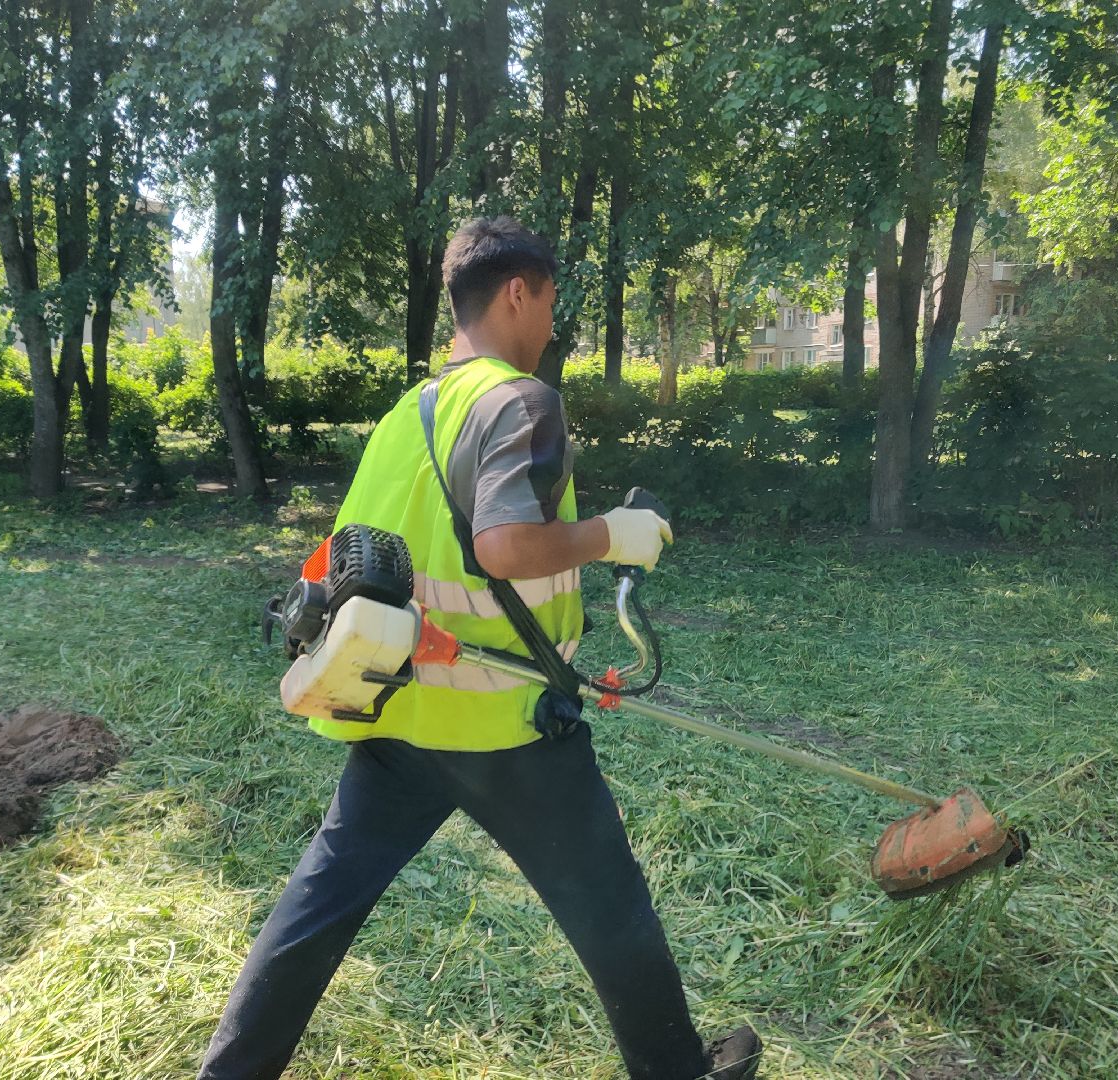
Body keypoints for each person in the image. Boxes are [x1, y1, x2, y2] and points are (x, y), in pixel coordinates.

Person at [197, 216, 763, 1080]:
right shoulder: (520, 400)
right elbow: (503, 545)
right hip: (509, 731)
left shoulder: (403, 417)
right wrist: (616, 532)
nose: (550, 326)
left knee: (314, 913)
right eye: (548, 304)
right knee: (614, 911)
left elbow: (357, 560)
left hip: (391, 715)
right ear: (515, 293)